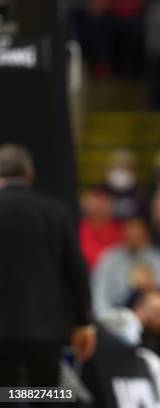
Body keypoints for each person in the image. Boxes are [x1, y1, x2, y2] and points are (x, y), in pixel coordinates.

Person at [0, 144, 96, 386]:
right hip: (46, 328)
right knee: (50, 396)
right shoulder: (56, 212)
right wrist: (84, 323)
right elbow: (77, 270)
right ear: (30, 175)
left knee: (4, 396)